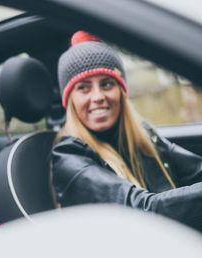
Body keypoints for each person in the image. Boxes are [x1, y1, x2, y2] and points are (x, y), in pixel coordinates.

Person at [51, 30, 202, 231]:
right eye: (83, 88)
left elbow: (196, 170)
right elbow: (143, 211)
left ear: (121, 91)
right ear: (70, 100)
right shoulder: (69, 159)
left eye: (106, 84)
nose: (97, 96)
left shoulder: (144, 136)